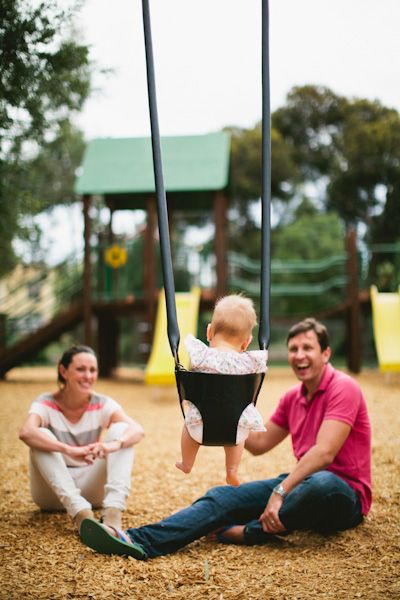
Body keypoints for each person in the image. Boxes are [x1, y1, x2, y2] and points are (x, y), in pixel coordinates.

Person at [79, 318, 372, 560]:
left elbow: (324, 453)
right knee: (223, 496)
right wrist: (217, 416)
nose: (298, 355)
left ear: (326, 354)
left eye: (307, 348)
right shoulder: (293, 397)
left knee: (319, 485)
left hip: (343, 492)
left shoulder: (343, 388)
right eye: (293, 349)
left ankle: (250, 532)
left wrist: (280, 492)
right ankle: (137, 540)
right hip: (301, 483)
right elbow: (257, 445)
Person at [19, 344, 145, 534]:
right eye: (80, 369)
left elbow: (138, 430)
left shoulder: (102, 403)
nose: (88, 376)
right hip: (50, 494)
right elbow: (26, 432)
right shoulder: (45, 403)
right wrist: (68, 450)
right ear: (63, 371)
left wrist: (111, 445)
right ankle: (80, 514)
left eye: (92, 370)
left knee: (122, 430)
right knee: (40, 433)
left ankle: (112, 514)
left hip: (92, 491)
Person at [176, 295, 267, 486]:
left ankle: (187, 462)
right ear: (247, 341)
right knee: (240, 425)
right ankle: (232, 470)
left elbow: (190, 366)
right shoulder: (250, 362)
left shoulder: (200, 355)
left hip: (198, 426)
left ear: (209, 332)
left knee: (187, 423)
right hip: (234, 428)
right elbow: (258, 377)